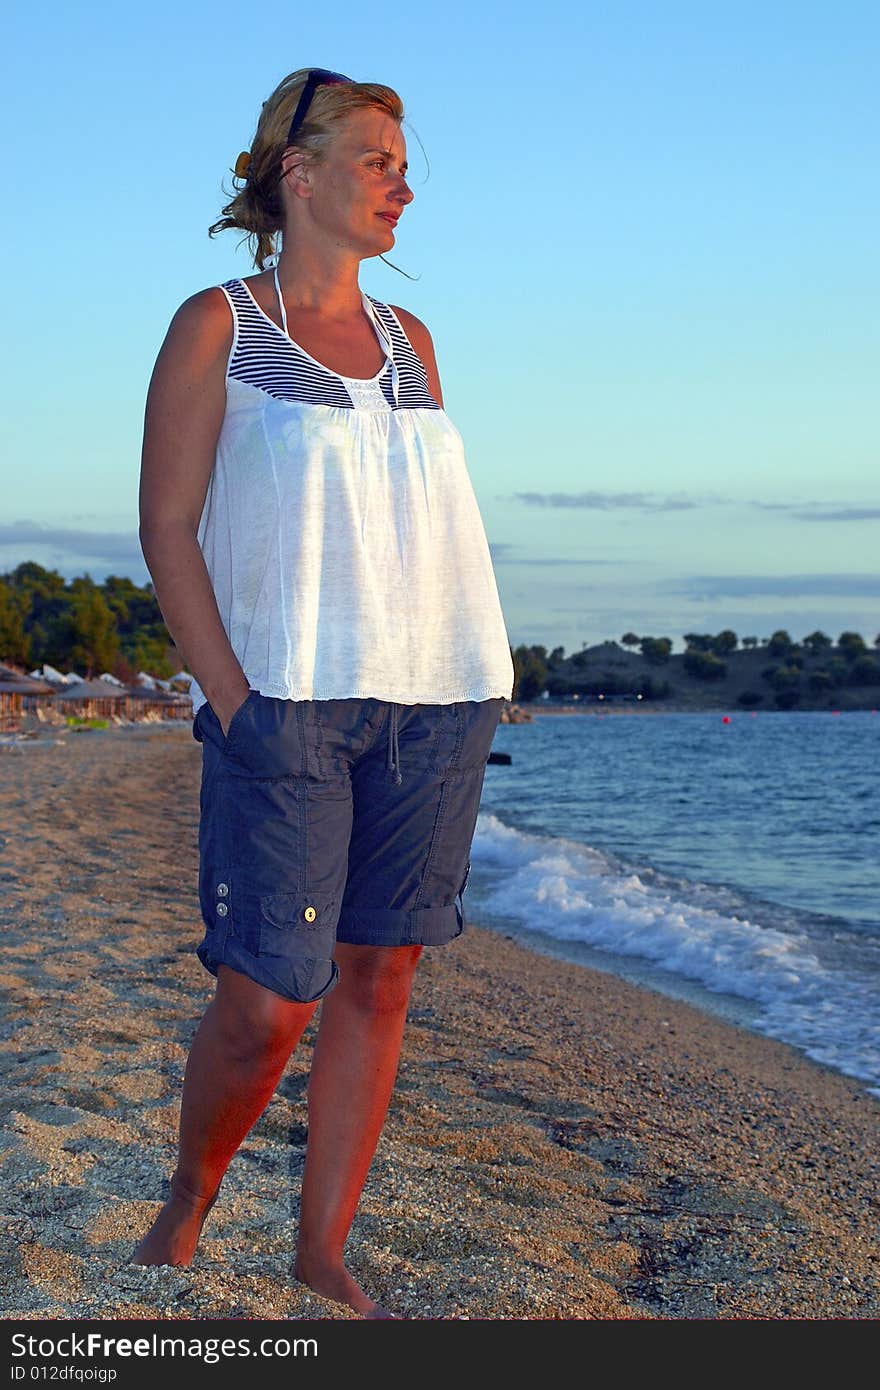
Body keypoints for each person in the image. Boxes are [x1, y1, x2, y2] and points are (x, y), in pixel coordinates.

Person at [132, 67, 514, 1318]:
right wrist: (233, 698)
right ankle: (188, 1199)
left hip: (433, 701)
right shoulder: (219, 325)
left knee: (380, 976)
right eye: (378, 160)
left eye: (404, 164)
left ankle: (320, 1248)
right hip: (287, 703)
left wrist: (468, 684)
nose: (404, 184)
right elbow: (169, 529)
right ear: (299, 176)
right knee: (266, 996)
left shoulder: (415, 344)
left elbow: (416, 526)